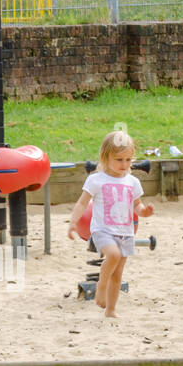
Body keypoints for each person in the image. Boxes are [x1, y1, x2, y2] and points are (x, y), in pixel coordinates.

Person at [68, 130, 154, 318]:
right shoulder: (96, 179)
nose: (124, 164)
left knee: (118, 274)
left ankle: (111, 310)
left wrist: (145, 212)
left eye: (128, 160)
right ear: (105, 157)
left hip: (126, 232)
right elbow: (82, 202)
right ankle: (101, 285)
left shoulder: (132, 182)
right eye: (119, 159)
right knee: (113, 255)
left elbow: (137, 206)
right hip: (103, 231)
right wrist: (73, 222)